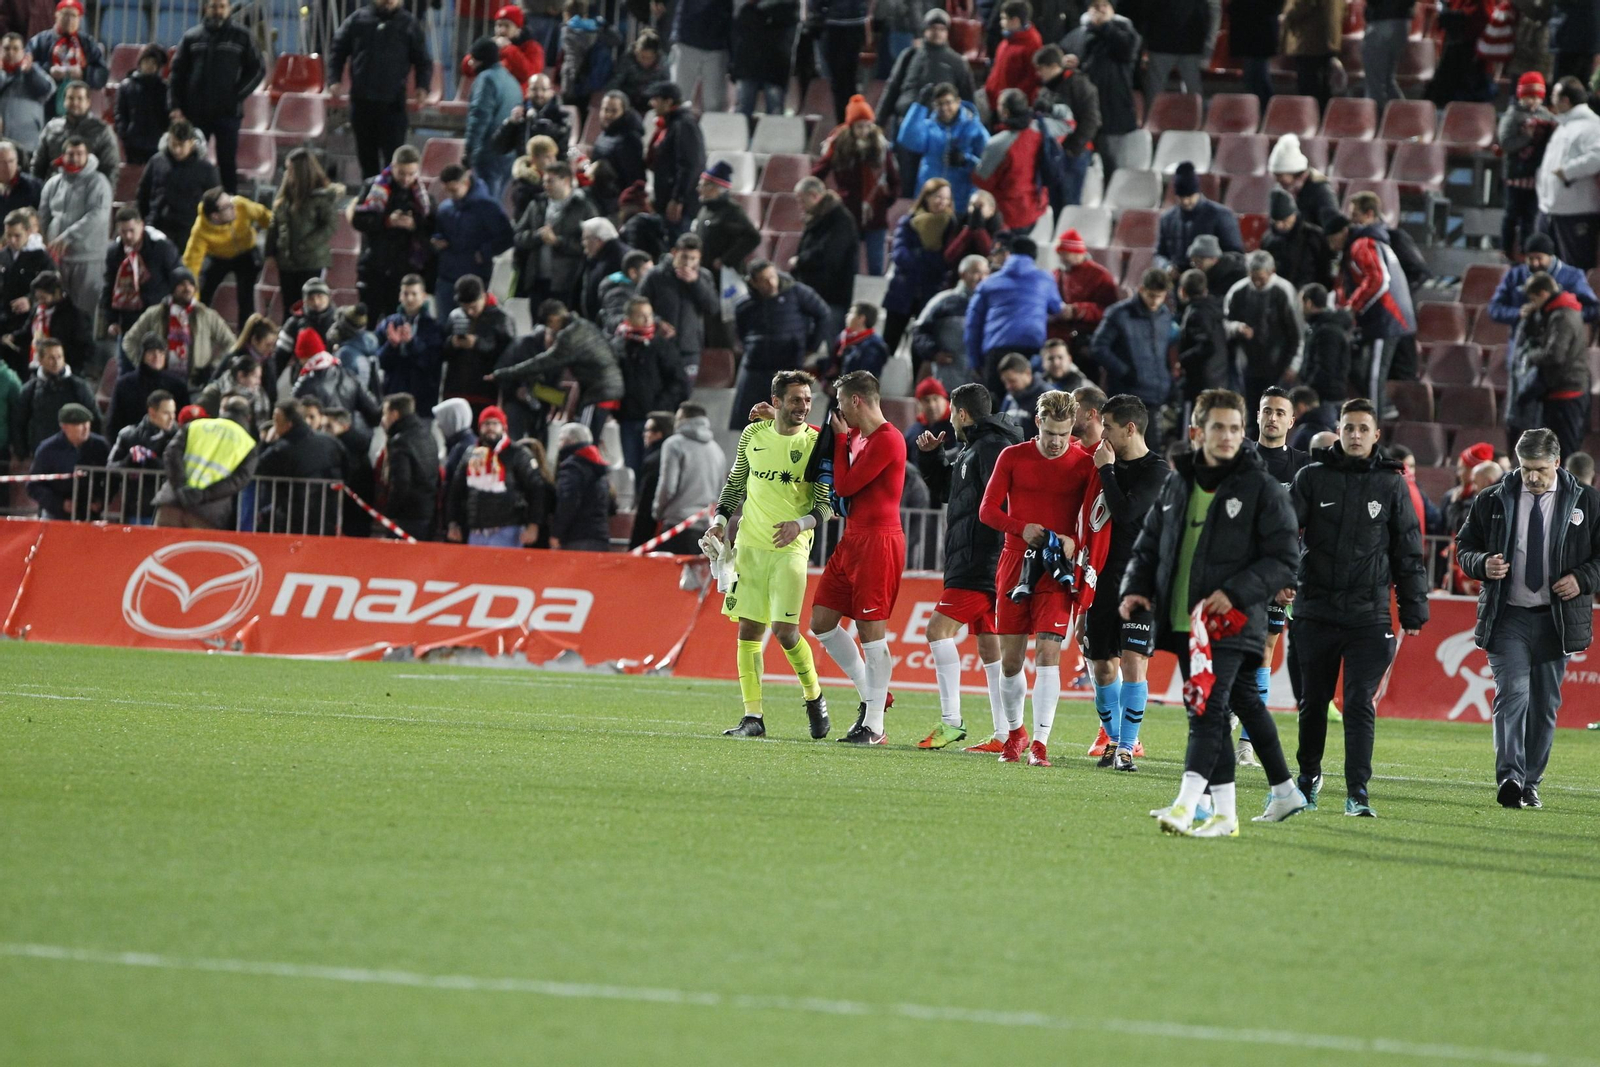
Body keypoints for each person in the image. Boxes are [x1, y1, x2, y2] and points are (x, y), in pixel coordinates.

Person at [1122, 388, 1307, 837]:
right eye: (1218, 427)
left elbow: (1285, 557)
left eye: (1234, 427)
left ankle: (1188, 806)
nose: (1228, 436)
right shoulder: (1179, 481)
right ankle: (1240, 809)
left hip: (1232, 621)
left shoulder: (1259, 485)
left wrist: (1237, 590)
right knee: (1229, 704)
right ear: (1196, 431)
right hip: (1186, 620)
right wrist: (1133, 589)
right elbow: (1150, 543)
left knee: (1206, 709)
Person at [1289, 397, 1427, 816]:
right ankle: (1308, 779)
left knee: (1358, 702)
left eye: (1362, 429)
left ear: (1376, 435)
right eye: (1348, 428)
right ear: (1339, 430)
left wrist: (1413, 608)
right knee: (1313, 702)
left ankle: (1358, 792)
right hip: (1315, 610)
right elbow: (1281, 532)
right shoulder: (1312, 477)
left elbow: (1408, 550)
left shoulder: (1391, 483)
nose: (1355, 435)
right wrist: (1277, 580)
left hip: (1369, 615)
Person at [1456, 428, 1600, 809]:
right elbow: (1464, 547)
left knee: (1544, 704)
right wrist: (1482, 564)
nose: (1531, 477)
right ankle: (1510, 777)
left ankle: (1532, 781)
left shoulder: (1588, 501)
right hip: (1509, 616)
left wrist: (1583, 578)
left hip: (1557, 619)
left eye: (1538, 469)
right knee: (1512, 693)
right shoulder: (1492, 499)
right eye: (1524, 469)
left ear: (1556, 461)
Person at [978, 388, 1100, 765]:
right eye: (1050, 434)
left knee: (1048, 653)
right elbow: (986, 510)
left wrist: (1072, 539)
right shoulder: (1012, 456)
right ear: (1038, 424)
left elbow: (1093, 523)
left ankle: (1041, 743)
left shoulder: (1084, 463)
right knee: (1011, 661)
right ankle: (1015, 733)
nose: (1057, 442)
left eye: (1064, 435)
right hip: (1015, 562)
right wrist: (1020, 527)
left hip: (1058, 569)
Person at [710, 371, 834, 738]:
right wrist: (719, 522)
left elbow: (827, 504)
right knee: (748, 630)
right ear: (777, 402)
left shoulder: (817, 442)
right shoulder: (753, 435)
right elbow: (735, 485)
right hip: (749, 545)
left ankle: (814, 697)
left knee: (785, 631)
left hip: (791, 550)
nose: (803, 406)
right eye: (796, 400)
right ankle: (753, 718)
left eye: (808, 400)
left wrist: (801, 524)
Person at [909, 381, 1021, 748]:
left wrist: (993, 555)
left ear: (960, 413)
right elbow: (947, 493)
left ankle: (951, 720)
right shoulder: (973, 448)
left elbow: (1001, 503)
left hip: (978, 561)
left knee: (936, 631)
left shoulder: (992, 448)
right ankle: (1005, 733)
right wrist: (932, 458)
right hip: (974, 557)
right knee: (990, 647)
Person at [806, 369, 906, 743]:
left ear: (855, 401)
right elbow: (834, 451)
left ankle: (874, 725)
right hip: (853, 539)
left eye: (841, 403)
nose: (839, 412)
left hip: (878, 542)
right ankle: (873, 696)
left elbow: (846, 483)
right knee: (822, 621)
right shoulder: (860, 438)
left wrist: (839, 439)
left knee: (871, 635)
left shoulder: (888, 440)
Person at [1082, 393, 1167, 769]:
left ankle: (1127, 747)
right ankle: (1113, 739)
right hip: (1101, 578)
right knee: (1102, 666)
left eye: (1110, 427)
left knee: (1133, 661)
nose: (1103, 434)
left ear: (1130, 428)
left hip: (1139, 583)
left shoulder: (1157, 471)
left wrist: (1105, 471)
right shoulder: (1105, 462)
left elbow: (1129, 512)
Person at [166, 0, 264, 195]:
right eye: (213, 6)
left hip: (228, 113)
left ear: (228, 8)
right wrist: (175, 106)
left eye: (222, 6)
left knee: (227, 163)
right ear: (205, 8)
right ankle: (191, 205)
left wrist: (236, 95)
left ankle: (229, 207)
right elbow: (176, 74)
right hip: (195, 112)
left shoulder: (242, 36)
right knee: (191, 161)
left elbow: (257, 69)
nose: (218, 11)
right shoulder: (191, 37)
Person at [329, 0, 432, 180]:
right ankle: (370, 201)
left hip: (393, 104)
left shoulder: (409, 24)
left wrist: (422, 86)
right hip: (362, 102)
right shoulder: (357, 20)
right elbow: (337, 51)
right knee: (367, 160)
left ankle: (391, 202)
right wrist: (334, 80)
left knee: (393, 160)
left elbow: (423, 60)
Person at [492, 298, 622, 440]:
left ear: (553, 319)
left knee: (583, 440)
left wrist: (503, 374)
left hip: (599, 391)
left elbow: (544, 362)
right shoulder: (585, 325)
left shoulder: (568, 336)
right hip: (609, 387)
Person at [1335, 206, 1416, 416]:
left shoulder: (1362, 245)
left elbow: (1378, 280)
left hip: (1387, 319)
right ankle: (1384, 409)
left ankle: (1374, 427)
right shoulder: (1372, 242)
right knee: (1358, 366)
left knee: (1374, 375)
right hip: (1385, 319)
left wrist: (1352, 307)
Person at [729, 259, 829, 429]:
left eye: (772, 276)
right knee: (746, 419)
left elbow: (823, 314)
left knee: (788, 420)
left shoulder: (796, 292)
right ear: (753, 282)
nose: (771, 282)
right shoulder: (744, 305)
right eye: (764, 279)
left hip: (789, 366)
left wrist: (811, 347)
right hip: (755, 367)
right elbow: (742, 333)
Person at [965, 235, 1060, 401]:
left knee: (994, 410)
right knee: (1032, 405)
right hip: (1031, 349)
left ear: (1009, 254)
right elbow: (1057, 308)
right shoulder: (1045, 279)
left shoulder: (988, 283)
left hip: (996, 352)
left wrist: (975, 361)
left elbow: (972, 325)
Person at [1510, 271, 1592, 459]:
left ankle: (1568, 489)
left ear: (1543, 294)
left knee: (1564, 452)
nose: (1533, 303)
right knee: (1552, 452)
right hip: (1558, 391)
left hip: (1566, 393)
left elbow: (1555, 355)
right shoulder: (1556, 312)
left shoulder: (1562, 316)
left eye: (1534, 298)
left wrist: (1531, 356)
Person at [350, 144, 435, 321]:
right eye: (402, 173)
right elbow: (358, 220)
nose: (406, 179)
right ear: (393, 167)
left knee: (399, 321)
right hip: (374, 264)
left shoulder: (423, 197)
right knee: (369, 319)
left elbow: (431, 230)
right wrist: (387, 221)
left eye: (411, 174)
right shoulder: (373, 187)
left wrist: (414, 225)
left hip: (405, 269)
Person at [446, 403, 548, 547]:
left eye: (495, 423)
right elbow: (455, 491)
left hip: (508, 530)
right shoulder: (470, 454)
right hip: (476, 532)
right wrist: (452, 522)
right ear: (480, 427)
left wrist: (534, 525)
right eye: (486, 423)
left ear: (504, 427)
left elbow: (537, 489)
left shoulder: (517, 453)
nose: (490, 427)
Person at [152, 394, 258, 528]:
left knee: (160, 547)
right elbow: (238, 481)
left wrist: (181, 487)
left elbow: (171, 454)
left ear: (223, 410)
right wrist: (203, 495)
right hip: (207, 513)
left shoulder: (195, 426)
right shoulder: (248, 445)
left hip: (173, 503)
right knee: (195, 549)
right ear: (248, 418)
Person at [1060, 0, 1141, 176]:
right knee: (1083, 168)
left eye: (1105, 6)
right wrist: (1066, 62)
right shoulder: (1078, 34)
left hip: (1113, 112)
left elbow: (1127, 50)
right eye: (1096, 7)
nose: (1101, 11)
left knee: (1114, 168)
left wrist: (1105, 26)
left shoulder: (1125, 31)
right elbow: (1062, 55)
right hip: (1084, 114)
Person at [612, 294, 689, 473]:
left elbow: (678, 382)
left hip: (658, 421)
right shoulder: (618, 346)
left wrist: (660, 407)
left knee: (657, 469)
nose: (648, 319)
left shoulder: (662, 346)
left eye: (650, 314)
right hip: (629, 419)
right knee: (633, 468)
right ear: (629, 319)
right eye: (641, 315)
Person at [880, 10, 976, 152]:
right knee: (904, 171)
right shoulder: (909, 55)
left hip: (940, 130)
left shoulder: (957, 62)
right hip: (906, 124)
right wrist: (879, 120)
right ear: (925, 30)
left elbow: (968, 98)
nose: (937, 32)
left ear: (947, 33)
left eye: (941, 29)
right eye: (933, 28)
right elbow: (892, 88)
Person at [884, 177, 960, 353]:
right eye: (938, 196)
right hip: (902, 292)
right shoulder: (909, 221)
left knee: (920, 350)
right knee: (888, 344)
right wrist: (928, 258)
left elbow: (946, 260)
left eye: (946, 198)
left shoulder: (951, 225)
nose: (942, 202)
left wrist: (920, 257)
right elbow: (900, 255)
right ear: (926, 196)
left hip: (930, 293)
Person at [432, 164, 514, 322]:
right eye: (447, 191)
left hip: (476, 278)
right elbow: (439, 231)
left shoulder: (489, 208)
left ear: (466, 183)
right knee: (445, 326)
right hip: (447, 277)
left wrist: (484, 253)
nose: (450, 195)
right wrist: (437, 240)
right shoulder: (445, 208)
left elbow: (506, 237)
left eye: (454, 190)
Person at [895, 82, 988, 221]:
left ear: (958, 102)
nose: (944, 108)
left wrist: (966, 160)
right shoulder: (929, 127)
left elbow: (987, 165)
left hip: (959, 201)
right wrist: (918, 106)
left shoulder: (974, 128)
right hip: (930, 198)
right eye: (939, 104)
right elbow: (908, 139)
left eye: (948, 103)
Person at [1092, 268, 1175, 423]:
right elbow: (1098, 347)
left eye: (1160, 297)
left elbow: (1164, 353)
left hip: (1156, 394)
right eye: (1152, 296)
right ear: (1141, 289)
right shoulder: (1119, 314)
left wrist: (1168, 381)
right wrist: (1125, 373)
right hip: (1127, 395)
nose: (1155, 301)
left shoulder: (1165, 316)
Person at [1224, 249, 1304, 408]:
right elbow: (1224, 323)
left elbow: (1297, 333)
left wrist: (1294, 365)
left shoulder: (1284, 291)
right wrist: (1237, 328)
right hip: (1247, 366)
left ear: (1271, 272)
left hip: (1278, 366)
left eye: (1261, 278)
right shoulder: (1238, 291)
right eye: (1253, 278)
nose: (1257, 283)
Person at [182, 186, 269, 331]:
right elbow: (191, 266)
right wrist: (192, 298)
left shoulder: (240, 204)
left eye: (230, 201)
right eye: (228, 206)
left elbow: (265, 216)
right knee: (204, 289)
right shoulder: (200, 230)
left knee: (246, 296)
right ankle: (197, 327)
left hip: (246, 251)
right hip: (219, 256)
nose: (233, 206)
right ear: (215, 216)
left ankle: (246, 336)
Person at [971, 87, 1057, 234]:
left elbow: (982, 180)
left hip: (1008, 215)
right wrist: (1052, 108)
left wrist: (968, 161)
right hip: (1036, 208)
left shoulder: (998, 143)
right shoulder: (1042, 129)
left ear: (1005, 112)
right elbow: (1069, 122)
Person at [1536, 76, 1600, 271]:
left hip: (1576, 211)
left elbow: (1597, 157)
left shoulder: (1591, 126)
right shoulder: (1563, 126)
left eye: (1554, 95)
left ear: (1565, 100)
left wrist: (1568, 172)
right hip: (1550, 210)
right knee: (1544, 272)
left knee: (1574, 271)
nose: (1550, 99)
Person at [36, 134, 105, 315]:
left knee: (82, 312)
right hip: (57, 257)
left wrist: (68, 235)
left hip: (86, 257)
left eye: (79, 153)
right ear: (63, 155)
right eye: (70, 153)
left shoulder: (98, 182)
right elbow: (43, 214)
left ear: (87, 156)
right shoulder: (53, 183)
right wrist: (45, 238)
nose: (74, 158)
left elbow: (97, 215)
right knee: (56, 310)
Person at [253, 397, 344, 535]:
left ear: (289, 424)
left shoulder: (281, 449)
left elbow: (257, 469)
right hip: (326, 515)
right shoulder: (330, 442)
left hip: (291, 517)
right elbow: (346, 468)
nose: (274, 426)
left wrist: (266, 442)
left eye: (276, 421)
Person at [270, 148, 343, 308]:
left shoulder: (322, 197)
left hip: (312, 261)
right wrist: (271, 252)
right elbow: (275, 224)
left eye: (290, 169)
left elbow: (329, 226)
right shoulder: (285, 197)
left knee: (309, 307)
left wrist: (305, 245)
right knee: (290, 308)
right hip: (287, 262)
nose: (287, 173)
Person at [639, 234, 718, 380]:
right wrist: (657, 323)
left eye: (693, 259)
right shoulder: (655, 276)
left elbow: (712, 308)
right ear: (674, 252)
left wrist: (696, 283)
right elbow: (639, 305)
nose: (688, 263)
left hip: (690, 348)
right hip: (659, 345)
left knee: (684, 393)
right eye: (684, 257)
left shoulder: (704, 277)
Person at [648, 401, 725, 551]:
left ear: (682, 418)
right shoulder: (717, 450)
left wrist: (657, 512)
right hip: (704, 527)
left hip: (676, 525)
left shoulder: (673, 444)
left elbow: (667, 486)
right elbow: (721, 492)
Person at [1499, 72, 1558, 261]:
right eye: (1528, 97)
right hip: (1516, 177)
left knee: (1530, 218)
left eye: (1536, 97)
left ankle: (1526, 252)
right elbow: (1506, 143)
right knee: (1511, 215)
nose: (1532, 102)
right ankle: (1506, 248)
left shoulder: (1546, 115)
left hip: (1535, 178)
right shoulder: (1512, 115)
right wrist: (1526, 137)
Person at [790, 175, 859, 337]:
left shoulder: (840, 219)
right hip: (814, 293)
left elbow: (829, 255)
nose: (800, 206)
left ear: (814, 195)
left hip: (831, 296)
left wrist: (800, 261)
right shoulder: (819, 217)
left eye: (802, 200)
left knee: (825, 345)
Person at [1031, 46, 1100, 207]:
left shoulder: (1079, 85)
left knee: (1069, 203)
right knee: (1052, 202)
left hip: (1074, 155)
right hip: (1052, 154)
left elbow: (1092, 120)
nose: (1038, 74)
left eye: (1041, 69)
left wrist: (1071, 149)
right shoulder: (1046, 90)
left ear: (1053, 66)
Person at [102, 206, 181, 338]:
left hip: (158, 318)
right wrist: (112, 320)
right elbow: (109, 286)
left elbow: (178, 278)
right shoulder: (115, 253)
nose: (128, 236)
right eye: (123, 231)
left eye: (132, 230)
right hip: (128, 321)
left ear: (141, 226)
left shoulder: (161, 247)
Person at [913, 253, 987, 392]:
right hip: (947, 379)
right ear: (963, 274)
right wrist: (933, 353)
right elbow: (919, 331)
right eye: (976, 272)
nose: (981, 278)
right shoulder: (943, 301)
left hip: (979, 383)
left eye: (985, 273)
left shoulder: (991, 304)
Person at [137, 121, 219, 244]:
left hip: (190, 232)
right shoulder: (156, 162)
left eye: (181, 145)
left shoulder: (206, 169)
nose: (177, 150)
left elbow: (214, 201)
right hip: (158, 228)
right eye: (173, 144)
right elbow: (143, 194)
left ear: (191, 143)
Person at [9, 337, 93, 456]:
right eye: (51, 358)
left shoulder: (79, 387)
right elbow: (18, 423)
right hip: (39, 454)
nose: (56, 362)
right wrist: (22, 454)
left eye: (59, 357)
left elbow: (94, 419)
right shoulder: (30, 389)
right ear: (40, 359)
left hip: (73, 454)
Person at [375, 274, 444, 414]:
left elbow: (432, 362)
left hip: (422, 396)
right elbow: (379, 361)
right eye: (406, 294)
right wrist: (392, 345)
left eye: (414, 294)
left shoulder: (433, 326)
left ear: (423, 296)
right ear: (400, 296)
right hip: (394, 392)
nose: (410, 298)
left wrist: (412, 343)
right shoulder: (388, 324)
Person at [1156, 163, 1244, 274]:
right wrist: (1167, 267)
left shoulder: (1221, 215)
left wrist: (1211, 264)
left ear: (1197, 192)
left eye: (1189, 196)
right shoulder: (1167, 219)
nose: (1185, 201)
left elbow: (1236, 255)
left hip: (1213, 281)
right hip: (1179, 282)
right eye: (1181, 197)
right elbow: (1160, 254)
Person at [375, 391, 439, 540]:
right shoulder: (428, 436)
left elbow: (401, 482)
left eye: (385, 414)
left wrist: (390, 513)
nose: (383, 420)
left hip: (406, 517)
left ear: (395, 414)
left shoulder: (400, 442)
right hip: (427, 514)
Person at [26, 1, 108, 117]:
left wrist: (83, 73)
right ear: (56, 15)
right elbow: (27, 68)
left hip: (80, 107)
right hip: (44, 106)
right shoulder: (39, 41)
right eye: (65, 14)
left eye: (73, 15)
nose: (69, 19)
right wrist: (48, 71)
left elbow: (102, 74)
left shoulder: (87, 43)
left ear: (80, 19)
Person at [27, 399, 105, 518]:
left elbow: (111, 477)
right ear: (65, 427)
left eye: (87, 424)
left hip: (90, 514)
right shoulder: (48, 449)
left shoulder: (100, 446)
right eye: (79, 425)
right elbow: (34, 485)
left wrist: (101, 500)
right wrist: (59, 504)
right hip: (56, 515)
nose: (85, 429)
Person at [645, 82, 704, 236]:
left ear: (668, 101)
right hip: (668, 199)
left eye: (655, 99)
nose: (652, 104)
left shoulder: (684, 124)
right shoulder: (672, 124)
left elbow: (689, 164)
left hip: (680, 207)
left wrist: (678, 199)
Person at [32, 79, 117, 187]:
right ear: (64, 101)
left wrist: (104, 197)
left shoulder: (102, 131)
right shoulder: (52, 128)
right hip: (54, 191)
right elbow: (38, 165)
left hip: (89, 192)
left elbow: (110, 169)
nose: (75, 103)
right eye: (71, 98)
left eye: (80, 99)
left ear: (88, 102)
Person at [464, 38, 520, 200]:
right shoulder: (510, 80)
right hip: (508, 156)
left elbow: (479, 118)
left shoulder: (486, 80)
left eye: (473, 59)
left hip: (488, 154)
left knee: (486, 205)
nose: (470, 63)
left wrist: (469, 151)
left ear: (481, 60)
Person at [108, 388, 178, 519]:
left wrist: (155, 462)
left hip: (169, 510)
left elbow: (182, 470)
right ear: (152, 412)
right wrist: (128, 462)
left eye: (173, 413)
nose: (172, 418)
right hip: (136, 508)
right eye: (166, 413)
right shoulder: (129, 435)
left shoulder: (180, 437)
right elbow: (110, 467)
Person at [1123, 0, 1215, 100]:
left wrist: (1146, 39)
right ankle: (1196, 113)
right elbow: (1204, 14)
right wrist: (1201, 42)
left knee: (1155, 87)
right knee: (1193, 86)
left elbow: (1147, 12)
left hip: (1161, 42)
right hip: (1190, 44)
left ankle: (1152, 113)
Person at [1050, 228, 1118, 354]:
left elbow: (1110, 311)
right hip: (1059, 335)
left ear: (1078, 253)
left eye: (1064, 254)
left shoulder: (1099, 275)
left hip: (1085, 336)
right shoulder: (1055, 274)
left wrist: (1077, 311)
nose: (1061, 258)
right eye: (1059, 254)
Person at [109, 334, 189, 439]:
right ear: (142, 355)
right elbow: (114, 423)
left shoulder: (178, 385)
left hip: (168, 444)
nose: (157, 357)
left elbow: (184, 421)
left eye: (161, 353)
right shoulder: (125, 384)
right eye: (151, 352)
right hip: (132, 442)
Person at [1296, 284, 1352, 431]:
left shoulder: (1327, 331)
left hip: (1325, 401)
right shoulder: (1320, 327)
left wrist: (1308, 390)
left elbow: (1326, 368)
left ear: (1308, 303)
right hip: (1322, 399)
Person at [551, 420, 613, 550]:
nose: (558, 445)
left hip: (577, 537)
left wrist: (557, 533)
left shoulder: (572, 466)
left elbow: (568, 501)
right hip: (600, 536)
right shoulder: (599, 466)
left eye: (560, 440)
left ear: (570, 441)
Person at [691, 159, 760, 274]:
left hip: (723, 274)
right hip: (704, 270)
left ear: (716, 188)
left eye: (703, 186)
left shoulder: (732, 211)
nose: (699, 190)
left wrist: (726, 260)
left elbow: (753, 237)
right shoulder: (705, 209)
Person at [730, 0, 798, 118]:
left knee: (774, 114)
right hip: (748, 64)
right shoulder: (746, 8)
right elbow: (740, 27)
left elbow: (786, 23)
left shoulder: (788, 7)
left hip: (775, 66)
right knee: (742, 112)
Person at [1262, 188, 1334, 291]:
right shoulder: (1268, 239)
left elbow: (1324, 270)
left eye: (1284, 220)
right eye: (1276, 221)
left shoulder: (1314, 236)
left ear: (1294, 215)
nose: (1279, 225)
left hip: (1308, 297)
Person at [585, 90, 644, 216]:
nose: (608, 115)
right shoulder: (605, 133)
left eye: (614, 111)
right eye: (605, 110)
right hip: (599, 198)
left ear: (624, 112)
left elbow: (633, 178)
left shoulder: (630, 139)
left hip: (614, 206)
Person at [670, 0, 733, 114]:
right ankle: (677, 129)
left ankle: (714, 130)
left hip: (717, 46)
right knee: (679, 97)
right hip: (687, 41)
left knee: (714, 103)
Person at [1268, 133, 1341, 229]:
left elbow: (1332, 224)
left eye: (1280, 175)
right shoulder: (1280, 189)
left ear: (1293, 172)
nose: (1277, 180)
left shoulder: (1321, 190)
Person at [460, 5, 547, 85]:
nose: (501, 30)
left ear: (519, 29)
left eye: (507, 26)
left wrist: (508, 49)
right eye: (498, 25)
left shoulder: (532, 47)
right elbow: (467, 68)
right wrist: (481, 51)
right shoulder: (491, 45)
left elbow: (530, 75)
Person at [0, 32, 55, 155]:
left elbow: (47, 90)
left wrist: (30, 72)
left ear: (23, 52)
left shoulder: (34, 71)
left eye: (15, 48)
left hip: (27, 143)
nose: (11, 52)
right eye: (6, 48)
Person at [1280, 0, 1342, 109]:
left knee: (1308, 90)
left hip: (1308, 41)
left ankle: (1311, 120)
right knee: (1324, 89)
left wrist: (1286, 16)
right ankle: (1323, 120)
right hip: (1327, 39)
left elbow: (1302, 4)